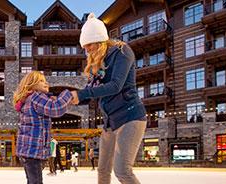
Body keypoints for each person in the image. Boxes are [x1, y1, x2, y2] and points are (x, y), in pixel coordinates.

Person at [71, 12, 147, 184]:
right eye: (84, 46)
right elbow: (89, 92)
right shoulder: (97, 62)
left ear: (99, 40)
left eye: (88, 45)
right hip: (110, 123)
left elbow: (115, 86)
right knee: (103, 170)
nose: (86, 49)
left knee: (122, 171)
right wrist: (65, 98)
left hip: (130, 117)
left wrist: (82, 94)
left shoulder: (122, 52)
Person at [13, 71, 74, 184]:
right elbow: (55, 109)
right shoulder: (36, 97)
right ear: (31, 84)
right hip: (33, 152)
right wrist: (68, 95)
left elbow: (49, 106)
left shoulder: (28, 99)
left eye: (46, 81)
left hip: (28, 152)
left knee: (32, 181)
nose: (46, 83)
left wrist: (52, 99)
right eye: (41, 81)